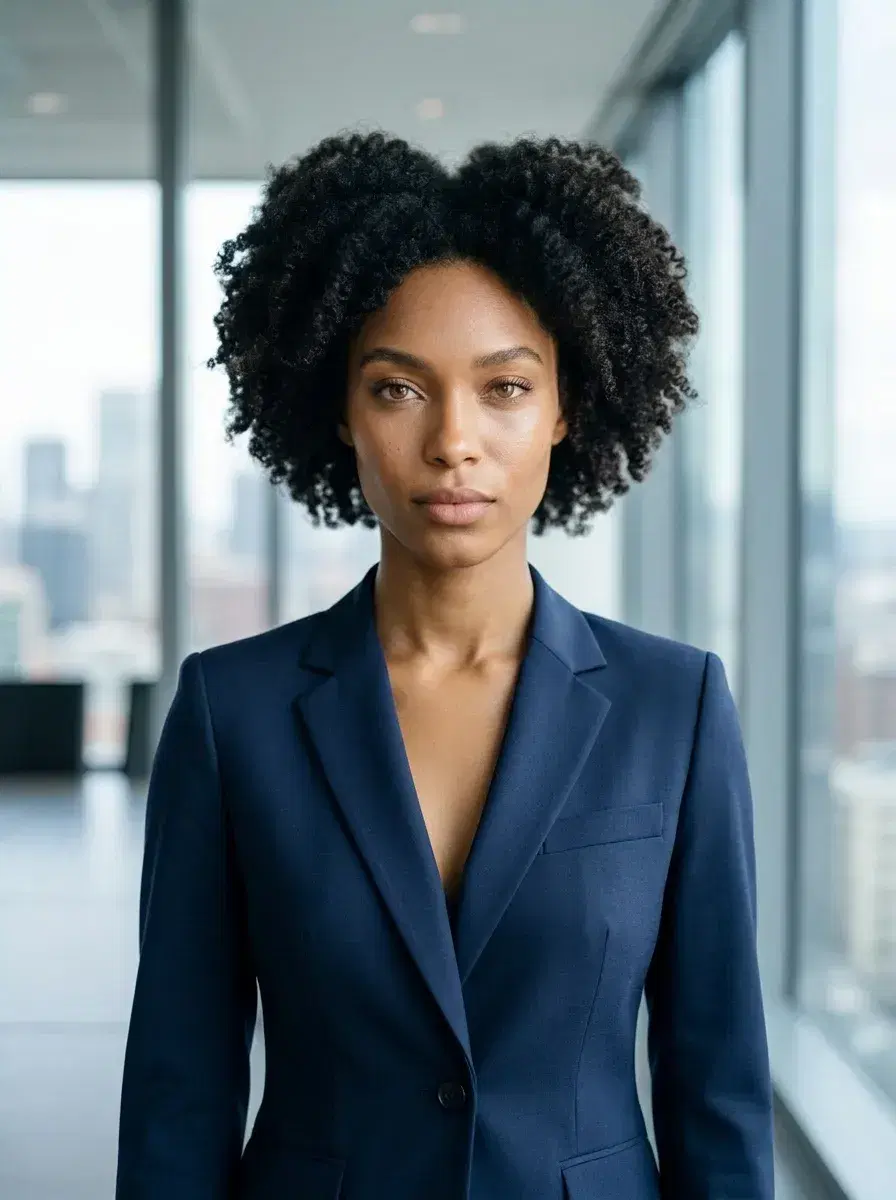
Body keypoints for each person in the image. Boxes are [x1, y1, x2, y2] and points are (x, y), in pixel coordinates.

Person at [115, 131, 774, 1200]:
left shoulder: (675, 705)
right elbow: (178, 1092)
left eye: (505, 388)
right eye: (398, 390)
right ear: (338, 410)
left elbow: (716, 1088)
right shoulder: (229, 711)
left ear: (567, 405)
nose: (453, 441)